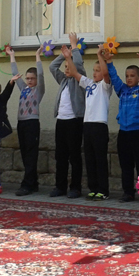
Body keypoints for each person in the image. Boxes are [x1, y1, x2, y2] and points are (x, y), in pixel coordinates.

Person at [66, 47, 113, 200]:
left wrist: (100, 56)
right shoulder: (90, 84)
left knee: (100, 159)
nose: (95, 73)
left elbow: (106, 73)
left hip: (99, 125)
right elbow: (74, 73)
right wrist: (68, 57)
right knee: (90, 159)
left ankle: (103, 190)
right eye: (94, 70)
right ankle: (93, 188)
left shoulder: (105, 86)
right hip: (88, 125)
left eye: (97, 70)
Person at [107, 48, 139, 203]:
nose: (129, 78)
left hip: (138, 132)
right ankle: (128, 192)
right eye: (127, 76)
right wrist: (109, 63)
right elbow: (114, 78)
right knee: (126, 165)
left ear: (138, 78)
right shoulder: (122, 90)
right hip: (124, 133)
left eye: (132, 76)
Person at [49, 34, 86, 198]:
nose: (66, 69)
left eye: (69, 66)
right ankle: (60, 186)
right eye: (65, 67)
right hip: (61, 122)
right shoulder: (63, 80)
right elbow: (52, 67)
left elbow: (77, 65)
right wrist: (63, 56)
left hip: (74, 122)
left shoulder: (80, 81)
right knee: (61, 156)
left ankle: (75, 187)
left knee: (74, 156)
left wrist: (74, 47)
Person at [9, 46, 46, 196]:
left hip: (32, 123)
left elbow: (42, 74)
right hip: (21, 123)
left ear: (36, 79)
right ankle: (33, 182)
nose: (29, 80)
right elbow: (14, 74)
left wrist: (37, 55)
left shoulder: (39, 90)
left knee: (31, 154)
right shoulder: (23, 88)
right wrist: (12, 56)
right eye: (28, 78)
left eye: (32, 78)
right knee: (25, 154)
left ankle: (27, 184)